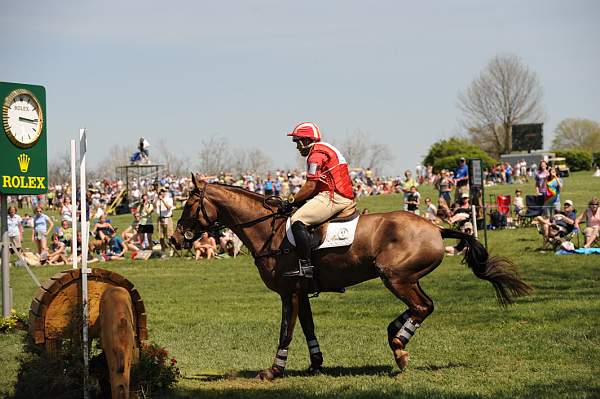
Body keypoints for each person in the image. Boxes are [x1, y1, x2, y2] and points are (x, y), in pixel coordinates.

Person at [282, 122, 355, 278]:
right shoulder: (323, 149)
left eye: (297, 141)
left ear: (307, 140)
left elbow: (310, 187)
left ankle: (306, 267)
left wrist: (290, 201)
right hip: (336, 194)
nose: (297, 147)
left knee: (297, 219)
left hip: (334, 196)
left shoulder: (315, 156)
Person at [155, 188, 175, 254]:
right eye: (161, 192)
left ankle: (172, 249)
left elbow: (169, 208)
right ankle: (163, 250)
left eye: (163, 192)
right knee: (161, 236)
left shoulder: (169, 199)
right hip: (160, 218)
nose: (162, 193)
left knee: (169, 235)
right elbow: (156, 208)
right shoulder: (158, 200)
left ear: (165, 192)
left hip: (167, 218)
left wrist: (162, 200)